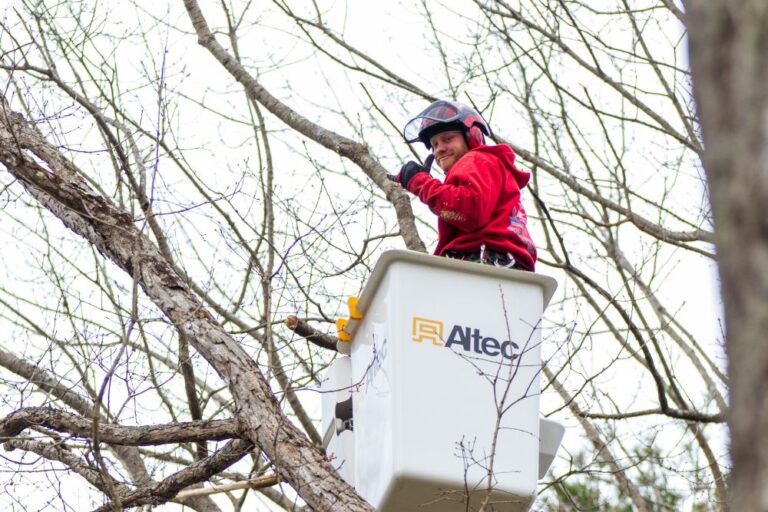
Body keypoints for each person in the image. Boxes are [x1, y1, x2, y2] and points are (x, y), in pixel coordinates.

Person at [395, 99, 537, 271]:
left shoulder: (477, 159)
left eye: (447, 139)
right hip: (502, 266)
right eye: (434, 144)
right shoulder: (487, 169)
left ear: (472, 136)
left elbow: (468, 210)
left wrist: (421, 183)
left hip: (485, 262)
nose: (439, 149)